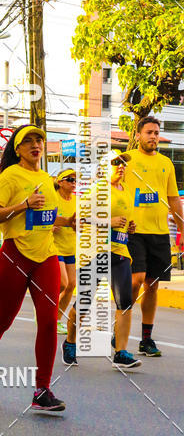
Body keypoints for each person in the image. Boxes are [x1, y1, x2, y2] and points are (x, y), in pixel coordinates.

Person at [0, 124, 75, 412]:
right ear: (17, 149)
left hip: (46, 257)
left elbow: (46, 218)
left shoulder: (47, 178)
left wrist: (68, 222)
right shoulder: (9, 176)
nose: (35, 145)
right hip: (14, 257)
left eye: (39, 140)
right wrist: (23, 205)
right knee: (3, 319)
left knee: (47, 320)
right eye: (28, 141)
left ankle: (42, 390)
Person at [62, 151, 140, 369]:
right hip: (95, 253)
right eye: (116, 162)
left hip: (120, 252)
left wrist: (129, 227)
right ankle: (70, 343)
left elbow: (125, 221)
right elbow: (81, 217)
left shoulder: (126, 191)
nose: (121, 166)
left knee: (125, 303)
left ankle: (121, 352)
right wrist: (109, 220)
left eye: (124, 163)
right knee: (85, 303)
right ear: (105, 167)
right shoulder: (97, 189)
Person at [123, 116, 183, 357]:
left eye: (156, 133)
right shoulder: (125, 160)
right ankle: (121, 328)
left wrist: (181, 228)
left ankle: (146, 339)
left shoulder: (166, 163)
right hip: (133, 230)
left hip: (159, 231)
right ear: (137, 135)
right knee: (136, 279)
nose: (153, 137)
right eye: (148, 132)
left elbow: (173, 200)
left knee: (153, 285)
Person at [53, 169, 77, 334]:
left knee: (72, 285)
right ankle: (44, 311)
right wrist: (51, 226)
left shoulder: (76, 201)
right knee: (62, 283)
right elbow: (44, 218)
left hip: (71, 247)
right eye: (69, 179)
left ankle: (56, 320)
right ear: (60, 182)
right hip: (55, 246)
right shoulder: (53, 198)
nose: (73, 182)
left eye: (75, 180)